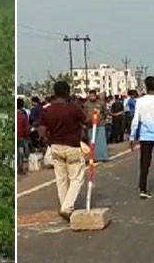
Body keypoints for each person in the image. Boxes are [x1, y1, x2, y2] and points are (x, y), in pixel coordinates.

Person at [38, 81, 87, 221]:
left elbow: (42, 130)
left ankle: (64, 205)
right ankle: (67, 207)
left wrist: (47, 141)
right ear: (67, 92)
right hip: (72, 146)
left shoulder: (47, 110)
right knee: (76, 178)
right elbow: (87, 122)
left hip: (55, 146)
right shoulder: (73, 109)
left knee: (61, 179)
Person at [83, 90, 110, 161]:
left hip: (100, 124)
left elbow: (105, 112)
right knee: (92, 141)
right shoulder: (86, 104)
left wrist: (102, 119)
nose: (91, 97)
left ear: (95, 95)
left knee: (101, 141)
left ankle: (103, 156)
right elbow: (85, 113)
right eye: (90, 96)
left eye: (93, 95)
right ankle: (93, 157)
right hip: (90, 125)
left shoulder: (101, 103)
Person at [17, 98, 30, 175]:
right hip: (20, 137)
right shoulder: (22, 116)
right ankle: (20, 167)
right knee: (20, 152)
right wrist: (27, 136)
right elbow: (26, 129)